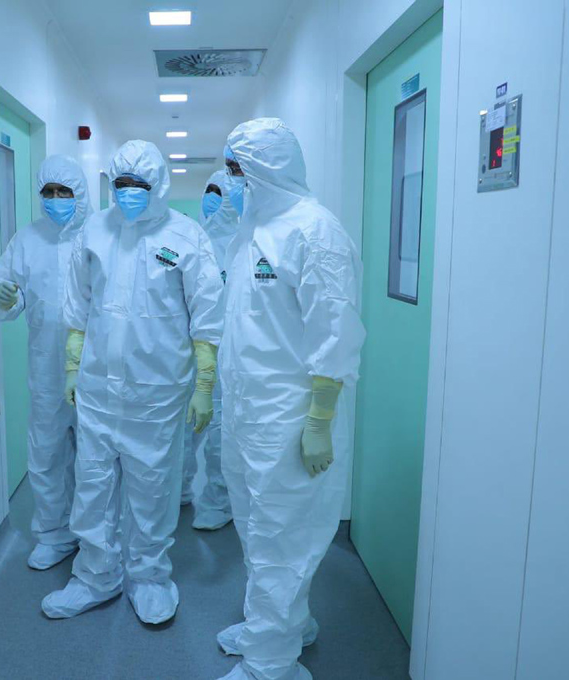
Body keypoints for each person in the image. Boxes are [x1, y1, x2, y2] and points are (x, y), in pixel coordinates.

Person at [41, 140, 223, 624]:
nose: (129, 192)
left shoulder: (186, 236)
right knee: (92, 485)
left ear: (158, 185)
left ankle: (149, 578)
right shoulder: (94, 231)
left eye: (139, 184)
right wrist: (73, 368)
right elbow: (78, 308)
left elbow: (207, 318)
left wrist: (205, 386)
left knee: (152, 489)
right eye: (122, 183)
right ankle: (94, 577)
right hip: (99, 389)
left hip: (157, 393)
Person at [216, 119, 366, 680]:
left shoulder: (314, 231)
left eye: (238, 170)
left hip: (289, 416)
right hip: (249, 412)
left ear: (266, 168)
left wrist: (319, 419)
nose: (231, 181)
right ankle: (281, 625)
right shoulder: (253, 230)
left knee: (281, 536)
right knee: (257, 527)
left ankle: (270, 664)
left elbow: (335, 332)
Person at [0, 155, 91, 571]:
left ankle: (97, 534)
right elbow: (7, 295)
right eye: (48, 192)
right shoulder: (27, 239)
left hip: (96, 366)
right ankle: (53, 534)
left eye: (64, 191)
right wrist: (3, 298)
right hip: (47, 365)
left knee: (96, 455)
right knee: (47, 451)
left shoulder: (100, 234)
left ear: (80, 193)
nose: (55, 199)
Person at [180, 170, 240, 530]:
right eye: (210, 190)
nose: (212, 199)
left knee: (220, 433)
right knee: (183, 429)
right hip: (189, 354)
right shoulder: (190, 241)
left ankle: (219, 501)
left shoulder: (244, 246)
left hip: (230, 357)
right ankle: (180, 489)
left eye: (221, 192)